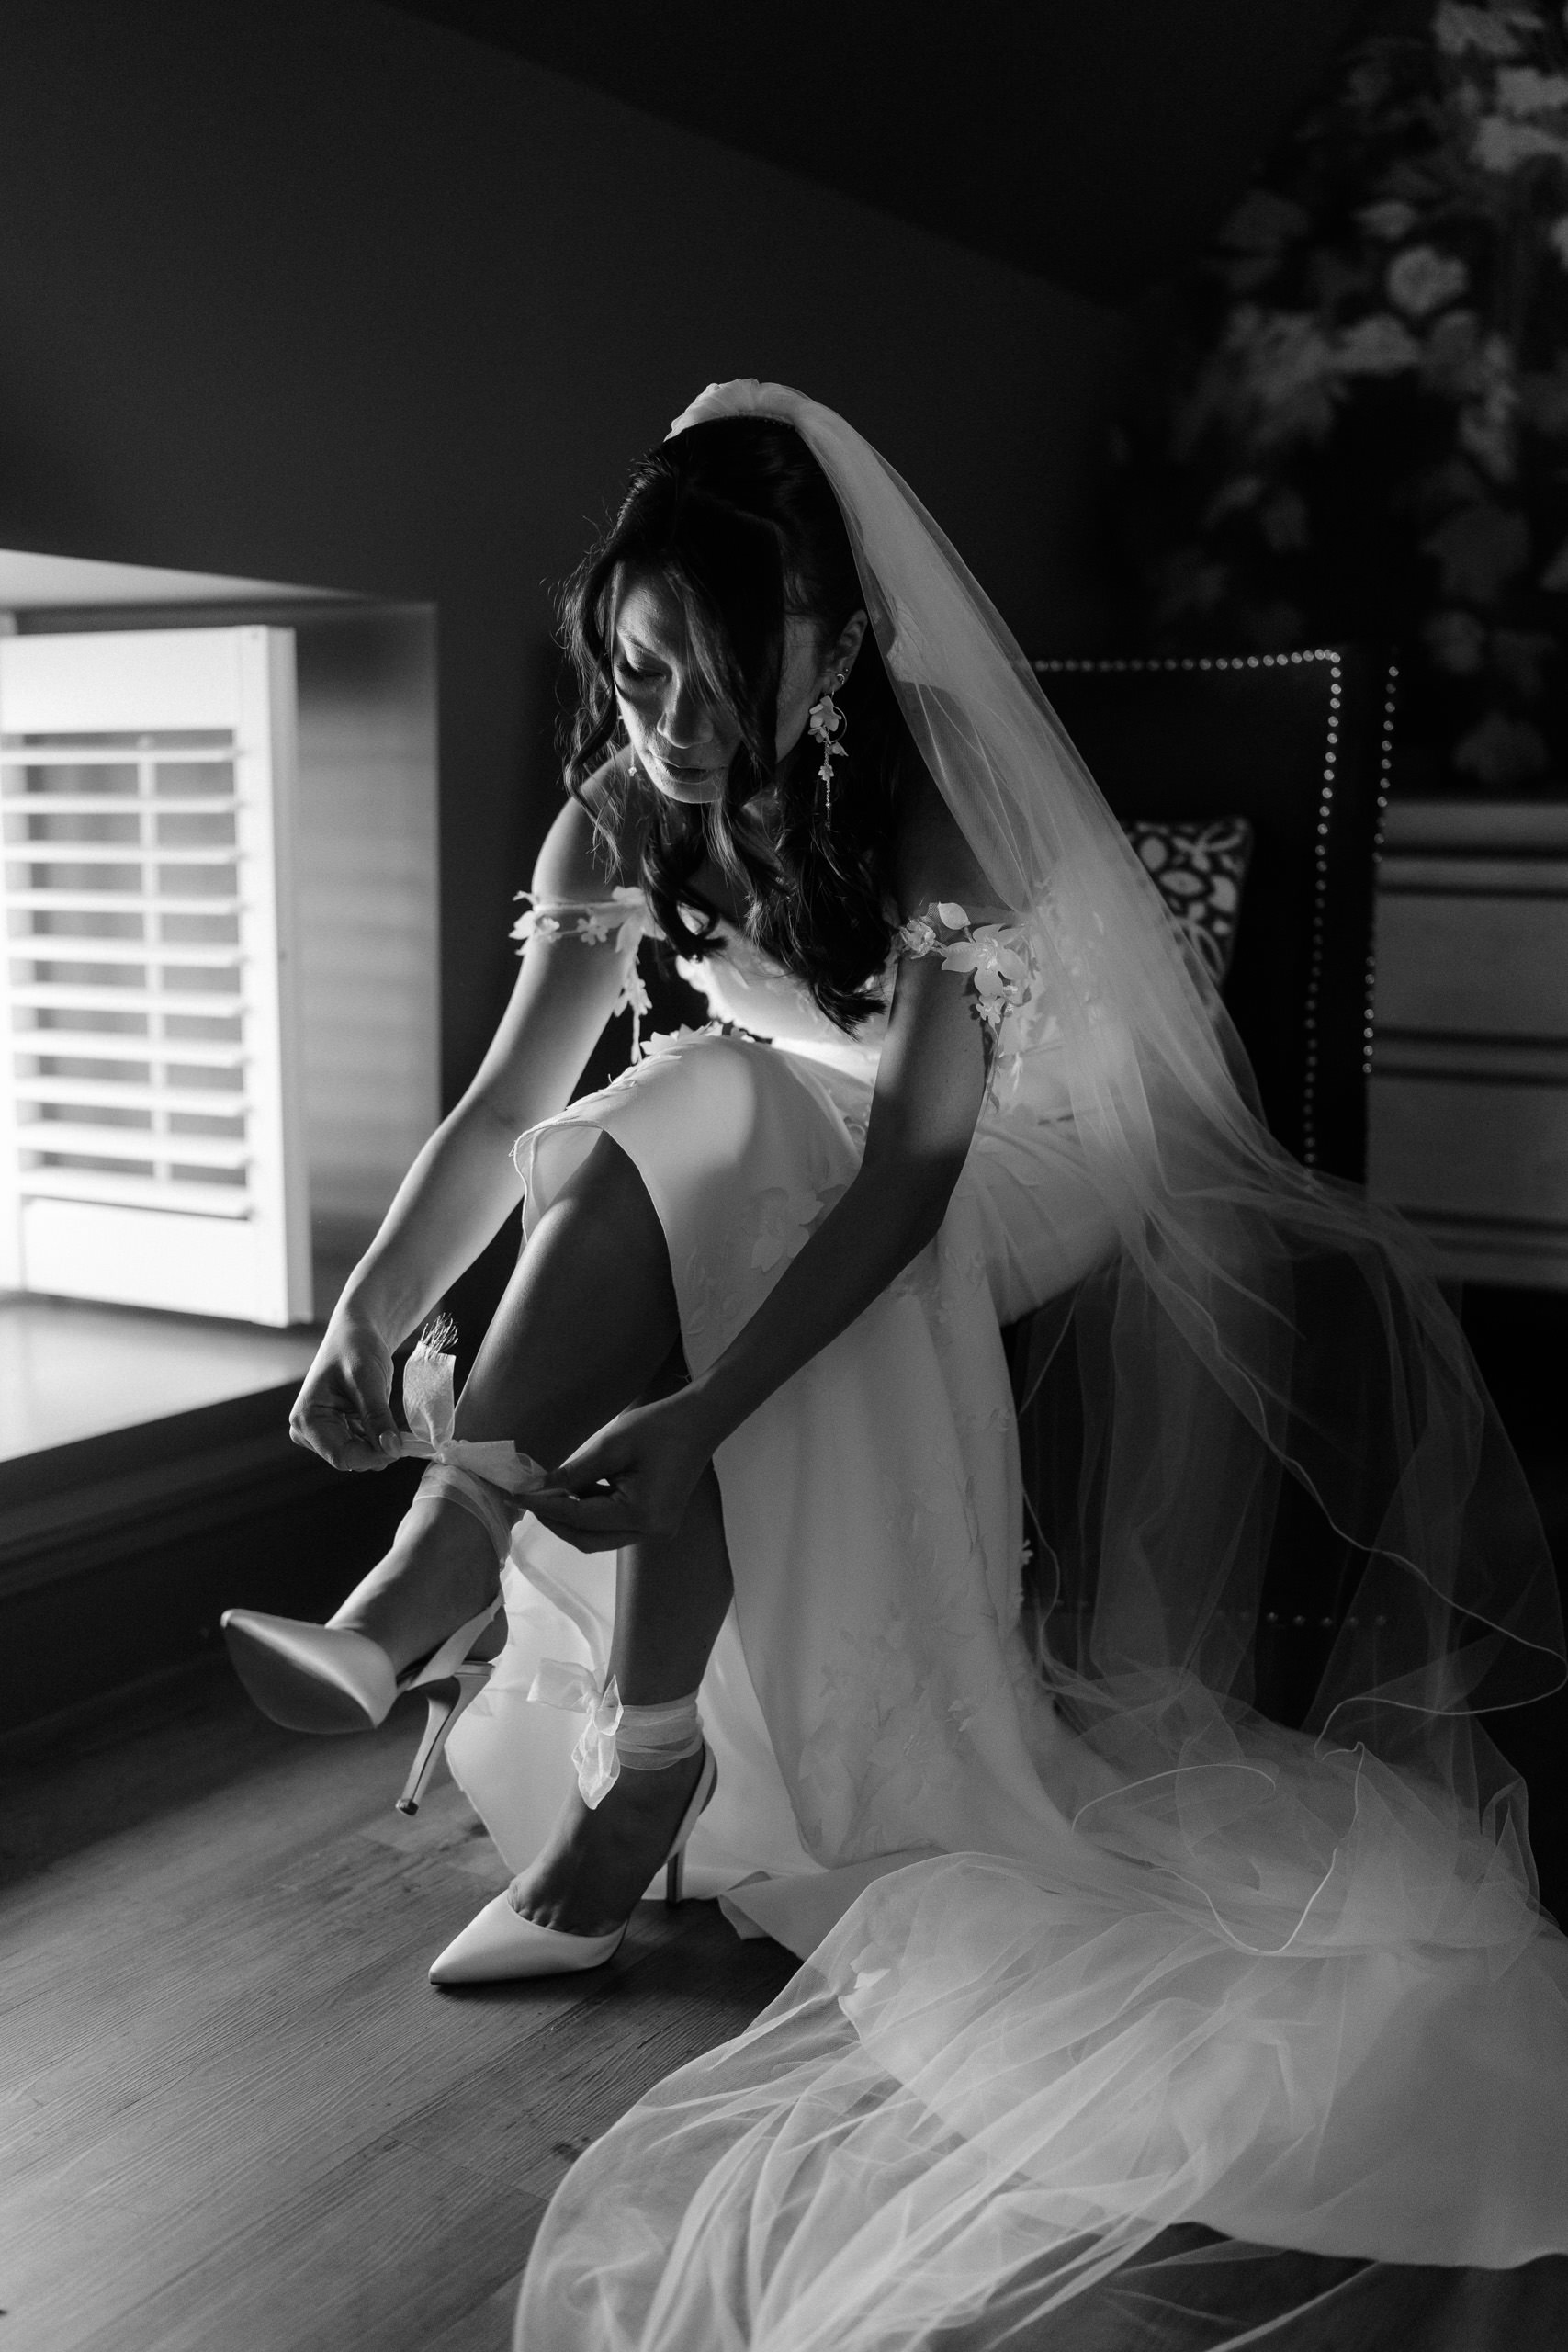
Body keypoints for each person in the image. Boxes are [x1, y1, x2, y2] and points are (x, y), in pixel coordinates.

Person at [222, 382, 1568, 2347]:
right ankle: (563, 1695)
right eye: (638, 671)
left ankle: (489, 1627)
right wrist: (366, 1300)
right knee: (698, 1100)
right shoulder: (621, 805)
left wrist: (704, 1408)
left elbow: (915, 1174)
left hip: (1023, 1157)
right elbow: (510, 1099)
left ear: (836, 646)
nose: (672, 726)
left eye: (716, 680)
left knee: (735, 1122)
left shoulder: (929, 813)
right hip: (785, 1128)